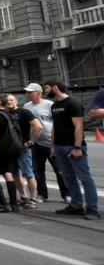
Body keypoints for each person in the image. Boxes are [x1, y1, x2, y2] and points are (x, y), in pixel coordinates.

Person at [43, 81, 99, 220]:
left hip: (73, 147)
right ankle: (76, 206)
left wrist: (77, 147)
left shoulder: (72, 103)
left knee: (84, 178)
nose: (45, 91)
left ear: (55, 87)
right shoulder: (55, 105)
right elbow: (55, 126)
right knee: (68, 177)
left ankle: (92, 209)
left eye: (46, 88)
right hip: (60, 147)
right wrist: (53, 145)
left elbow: (79, 126)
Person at [23, 83, 67, 204]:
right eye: (27, 92)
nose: (28, 94)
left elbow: (57, 123)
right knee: (38, 170)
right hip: (35, 143)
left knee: (59, 170)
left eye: (30, 92)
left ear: (38, 93)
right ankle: (42, 194)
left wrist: (54, 143)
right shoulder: (27, 106)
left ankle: (66, 194)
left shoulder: (49, 105)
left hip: (51, 143)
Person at [6, 94, 40, 207]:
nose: (9, 102)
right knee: (15, 174)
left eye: (11, 100)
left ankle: (33, 199)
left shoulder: (24, 112)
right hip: (10, 148)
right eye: (7, 100)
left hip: (23, 148)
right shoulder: (5, 113)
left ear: (16, 101)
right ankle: (23, 196)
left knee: (28, 174)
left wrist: (31, 141)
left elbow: (38, 126)